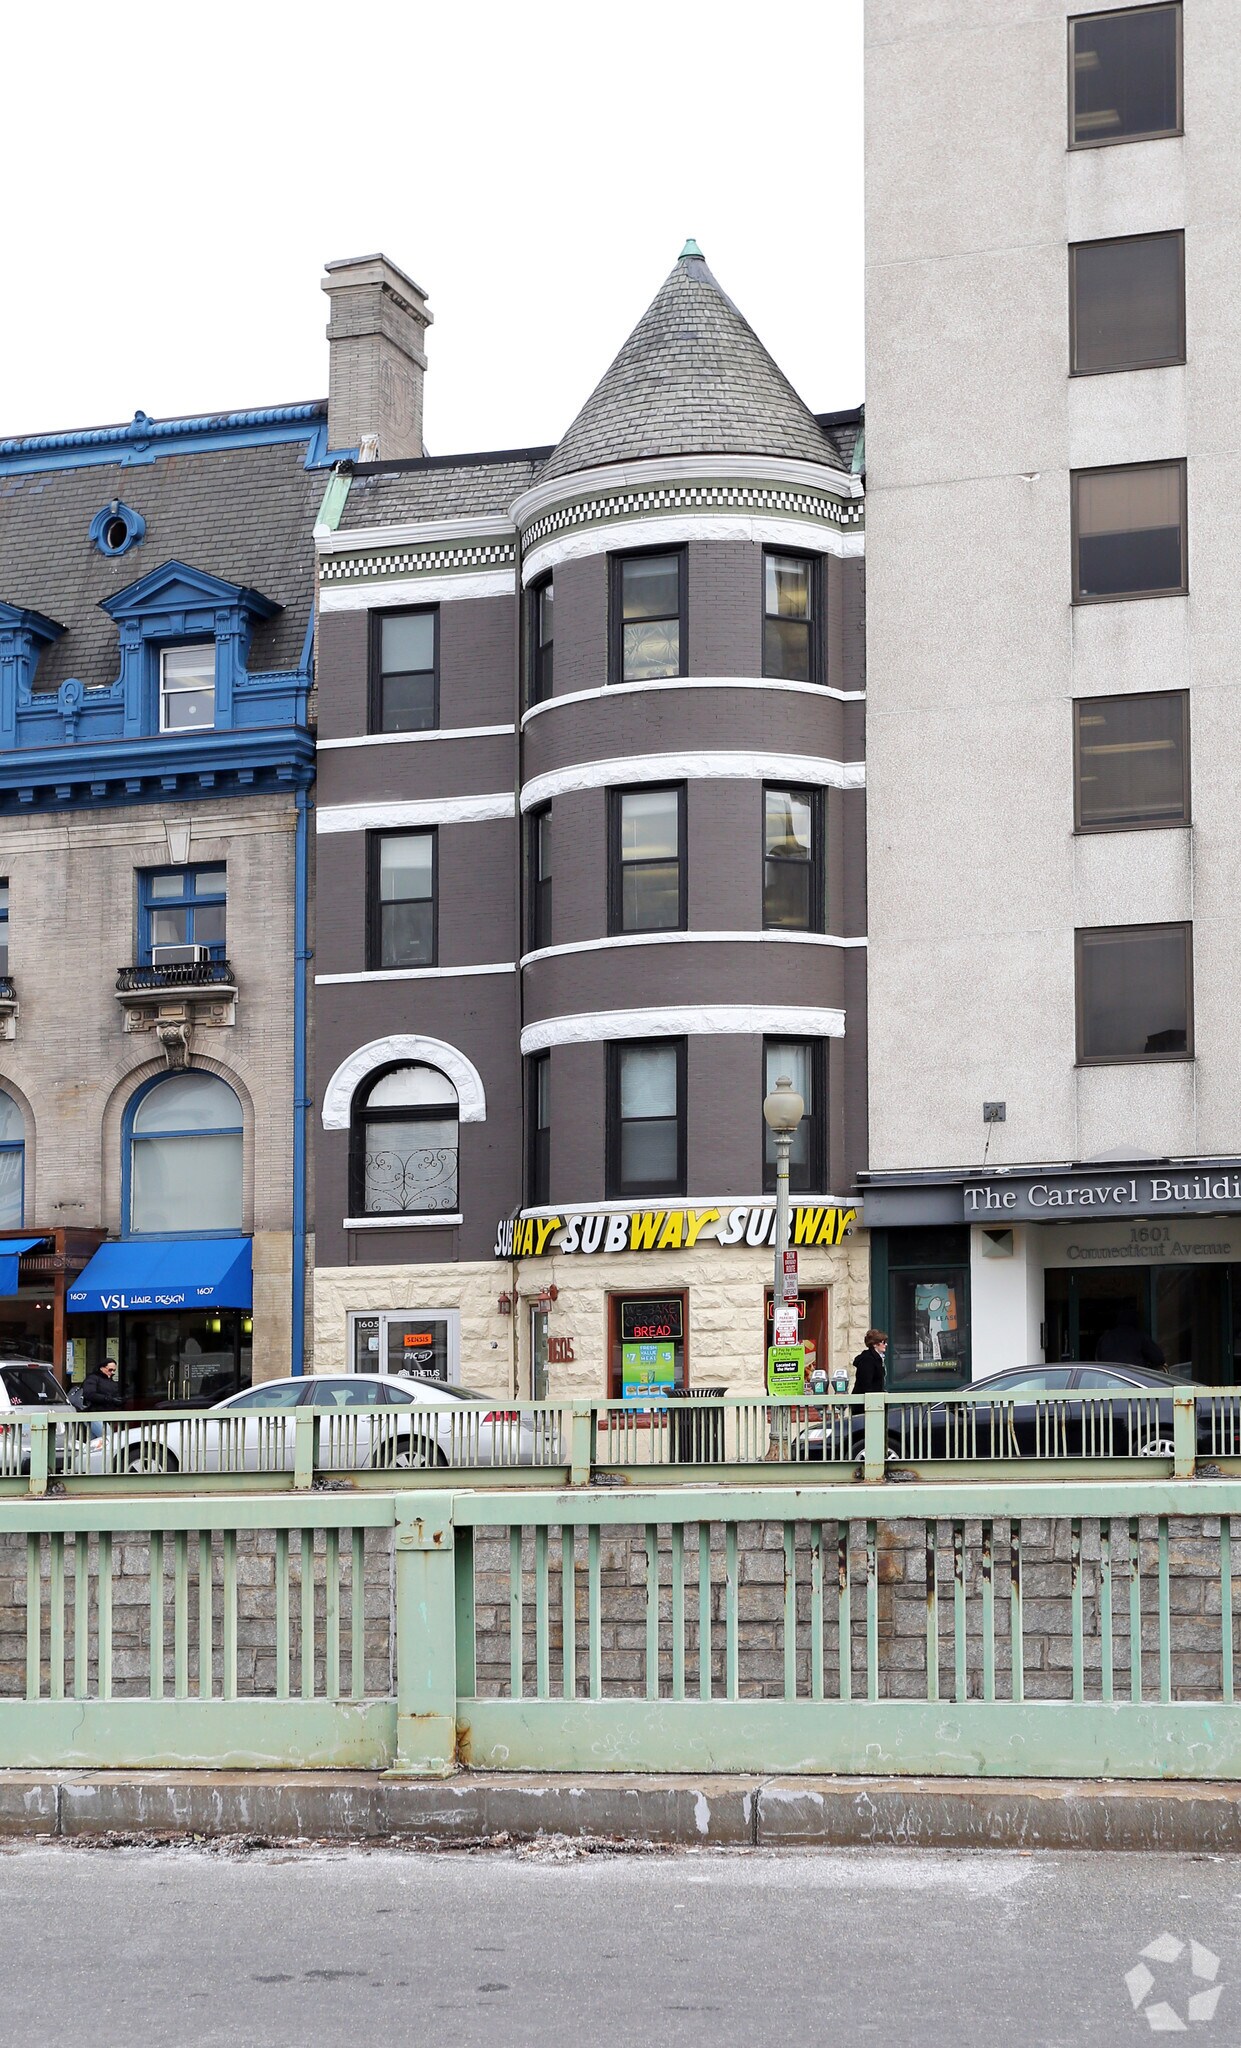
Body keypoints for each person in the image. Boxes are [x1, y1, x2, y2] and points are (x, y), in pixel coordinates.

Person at [1096, 1305, 1166, 1371]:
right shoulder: (1140, 1336)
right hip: (1133, 1377)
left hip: (1110, 1376)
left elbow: (1098, 1360)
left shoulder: (1106, 1337)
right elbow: (1158, 1359)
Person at [81, 1359, 123, 1442]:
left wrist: (118, 1401)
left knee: (94, 1443)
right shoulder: (92, 1378)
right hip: (93, 1414)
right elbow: (89, 1394)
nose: (112, 1372)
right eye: (110, 1370)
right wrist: (109, 1399)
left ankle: (88, 1454)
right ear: (102, 1368)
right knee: (109, 1439)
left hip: (104, 1415)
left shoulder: (111, 1382)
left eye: (114, 1370)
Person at [852, 1329, 888, 1395]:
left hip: (874, 1399)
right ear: (875, 1344)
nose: (886, 1344)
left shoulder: (877, 1358)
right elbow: (866, 1384)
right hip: (866, 1402)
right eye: (883, 1342)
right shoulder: (868, 1359)